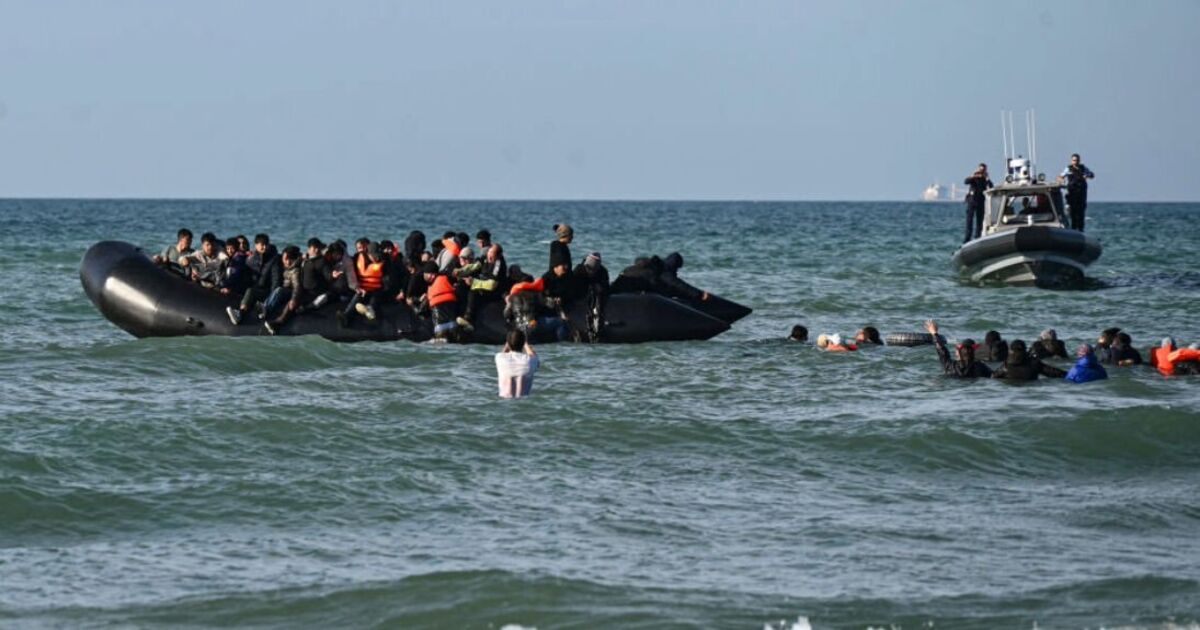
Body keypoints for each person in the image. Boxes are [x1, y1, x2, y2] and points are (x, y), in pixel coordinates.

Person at [227, 234, 280, 325]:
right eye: (261, 244)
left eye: (266, 244)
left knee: (250, 291)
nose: (264, 247)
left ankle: (240, 313)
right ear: (256, 245)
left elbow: (276, 279)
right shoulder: (251, 259)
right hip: (253, 287)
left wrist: (271, 296)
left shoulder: (273, 259)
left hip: (265, 290)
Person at [925, 320, 992, 378]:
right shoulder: (980, 367)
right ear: (973, 352)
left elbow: (941, 350)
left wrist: (934, 333)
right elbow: (995, 375)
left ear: (959, 353)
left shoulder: (950, 365)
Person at [340, 242, 386, 325]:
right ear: (368, 254)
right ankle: (346, 315)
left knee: (375, 297)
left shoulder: (384, 262)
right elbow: (352, 275)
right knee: (358, 295)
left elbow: (387, 279)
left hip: (377, 290)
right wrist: (356, 288)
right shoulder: (359, 259)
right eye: (373, 255)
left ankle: (370, 311)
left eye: (377, 255)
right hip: (363, 289)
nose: (376, 258)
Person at [263, 245, 303, 334]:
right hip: (286, 289)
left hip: (290, 292)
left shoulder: (295, 270)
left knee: (279, 290)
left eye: (290, 259)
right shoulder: (285, 265)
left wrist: (294, 299)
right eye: (285, 259)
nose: (287, 261)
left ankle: (266, 308)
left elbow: (297, 286)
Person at [574, 251, 610, 342]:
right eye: (589, 269)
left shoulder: (602, 272)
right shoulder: (579, 270)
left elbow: (606, 288)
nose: (591, 272)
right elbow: (572, 285)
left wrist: (600, 288)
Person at [992, 339, 1067, 381]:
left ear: (1011, 350)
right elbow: (1054, 373)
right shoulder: (1033, 362)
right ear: (1025, 350)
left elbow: (993, 377)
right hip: (1030, 390)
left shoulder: (1005, 365)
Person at [495, 329, 539, 399]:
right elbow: (534, 356)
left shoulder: (499, 358)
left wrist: (508, 343)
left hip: (504, 402)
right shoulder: (530, 361)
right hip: (523, 401)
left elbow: (503, 352)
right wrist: (525, 344)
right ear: (523, 343)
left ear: (508, 344)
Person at [422, 261, 460, 340]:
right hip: (452, 323)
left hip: (440, 327)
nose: (429, 277)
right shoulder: (446, 278)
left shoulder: (431, 287)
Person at [1059, 153, 1095, 231]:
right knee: (1073, 212)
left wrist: (1087, 176)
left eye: (1077, 160)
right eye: (1074, 160)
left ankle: (1081, 229)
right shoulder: (1068, 169)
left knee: (1081, 211)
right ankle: (1073, 228)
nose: (1076, 162)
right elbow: (1060, 176)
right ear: (1071, 161)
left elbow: (1092, 175)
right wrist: (1063, 181)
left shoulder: (1083, 168)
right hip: (1072, 192)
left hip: (1081, 193)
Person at [962, 163, 993, 243]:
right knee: (969, 221)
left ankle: (977, 237)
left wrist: (987, 178)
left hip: (980, 202)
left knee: (980, 221)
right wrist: (974, 176)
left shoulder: (985, 179)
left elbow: (991, 187)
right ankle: (967, 239)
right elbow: (966, 181)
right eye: (980, 170)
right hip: (972, 201)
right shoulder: (974, 178)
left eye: (983, 170)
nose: (981, 173)